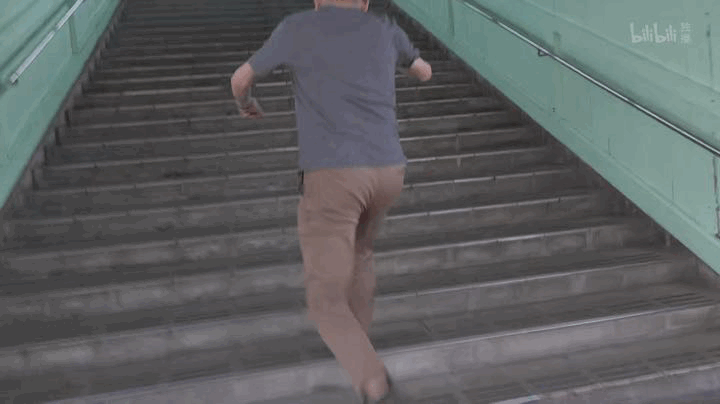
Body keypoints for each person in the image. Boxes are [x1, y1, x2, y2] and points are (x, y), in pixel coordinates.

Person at [230, 0, 432, 402]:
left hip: (334, 175)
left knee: (324, 299)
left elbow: (240, 79)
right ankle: (358, 346)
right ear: (365, 2)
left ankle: (374, 385)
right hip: (388, 170)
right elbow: (424, 71)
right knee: (361, 253)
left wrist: (246, 104)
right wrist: (397, 60)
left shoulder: (297, 27)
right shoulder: (385, 27)